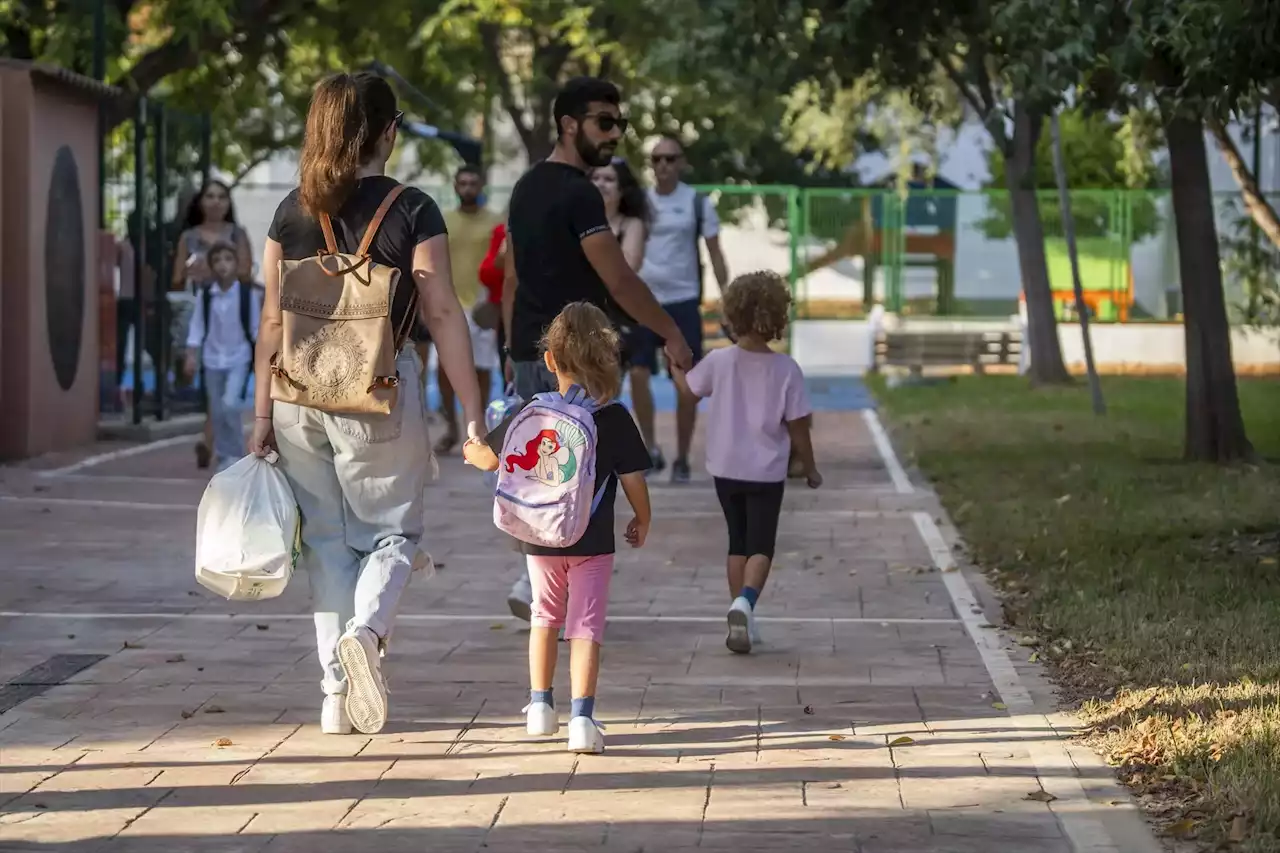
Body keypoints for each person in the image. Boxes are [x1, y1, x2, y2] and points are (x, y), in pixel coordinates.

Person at [248, 71, 483, 736]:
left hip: (296, 391)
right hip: (379, 390)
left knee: (324, 541)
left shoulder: (291, 209)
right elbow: (440, 308)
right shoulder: (413, 209)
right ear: (389, 132)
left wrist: (262, 415)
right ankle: (369, 631)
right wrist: (471, 412)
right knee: (393, 532)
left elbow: (270, 320)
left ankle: (334, 694)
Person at [500, 76, 693, 620]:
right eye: (604, 123)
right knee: (583, 474)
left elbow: (514, 276)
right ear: (569, 125)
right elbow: (621, 280)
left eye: (619, 124)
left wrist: (509, 349)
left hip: (530, 354)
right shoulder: (579, 193)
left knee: (542, 471)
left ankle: (535, 583)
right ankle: (544, 586)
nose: (614, 134)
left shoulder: (525, 187)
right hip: (575, 361)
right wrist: (671, 333)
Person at [463, 302, 652, 754]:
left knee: (544, 616)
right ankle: (583, 720)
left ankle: (540, 707)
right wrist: (643, 519)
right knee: (585, 626)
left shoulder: (534, 410)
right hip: (593, 540)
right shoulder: (616, 419)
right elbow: (633, 481)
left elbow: (488, 459)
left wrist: (473, 446)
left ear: (548, 360)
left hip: (538, 537)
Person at [684, 270, 821, 655]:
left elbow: (690, 391)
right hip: (766, 472)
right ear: (779, 315)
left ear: (732, 314)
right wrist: (810, 468)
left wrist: (678, 366)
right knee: (762, 544)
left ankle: (740, 614)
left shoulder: (718, 361)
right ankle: (745, 602)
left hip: (725, 468)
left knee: (737, 542)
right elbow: (799, 429)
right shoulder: (787, 370)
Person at [633, 135, 730, 482]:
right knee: (637, 374)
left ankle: (683, 457)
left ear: (682, 162)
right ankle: (649, 450)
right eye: (657, 159)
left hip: (684, 300)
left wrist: (726, 298)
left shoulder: (697, 203)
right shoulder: (639, 203)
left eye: (670, 159)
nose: (663, 166)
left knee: (687, 384)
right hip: (642, 299)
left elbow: (715, 253)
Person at [172, 180, 255, 470]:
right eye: (210, 196)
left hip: (230, 311)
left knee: (224, 397)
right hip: (200, 311)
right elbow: (177, 278)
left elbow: (245, 271)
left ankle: (214, 444)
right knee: (213, 388)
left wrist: (212, 273)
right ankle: (217, 444)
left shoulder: (237, 234)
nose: (216, 202)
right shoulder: (188, 237)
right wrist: (191, 272)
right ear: (200, 202)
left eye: (222, 197)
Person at [435, 165, 504, 454]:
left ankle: (478, 429)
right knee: (444, 369)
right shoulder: (444, 220)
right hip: (450, 303)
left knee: (482, 369)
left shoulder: (496, 221)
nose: (467, 188)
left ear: (481, 185)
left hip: (482, 304)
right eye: (462, 183)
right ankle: (451, 428)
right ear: (454, 186)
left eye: (473, 182)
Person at [182, 242, 262, 472]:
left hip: (239, 357)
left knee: (229, 405)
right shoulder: (207, 295)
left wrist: (262, 355)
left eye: (228, 259)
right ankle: (225, 455)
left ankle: (236, 455)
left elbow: (256, 328)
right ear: (211, 267)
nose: (222, 265)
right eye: (217, 261)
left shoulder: (247, 295)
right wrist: (190, 355)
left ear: (236, 264)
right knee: (216, 410)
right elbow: (197, 327)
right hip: (212, 359)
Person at [591, 157, 650, 371]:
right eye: (595, 178)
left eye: (608, 179)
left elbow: (626, 268)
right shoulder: (575, 220)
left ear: (622, 189)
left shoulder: (632, 225)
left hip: (614, 317)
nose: (600, 184)